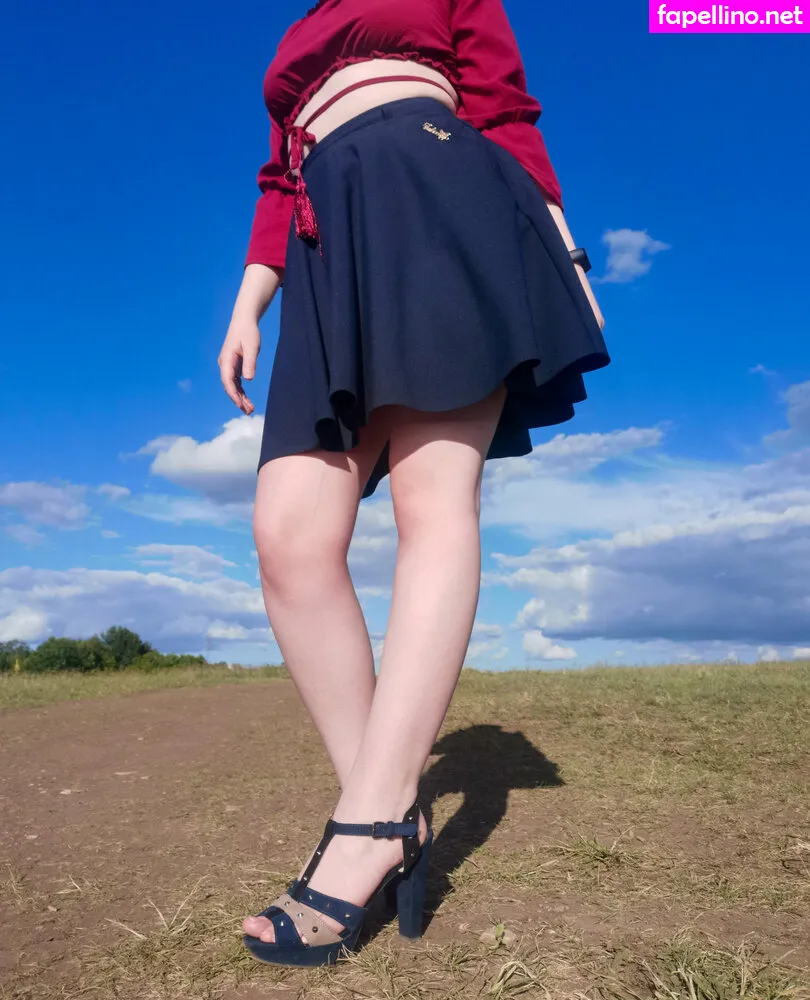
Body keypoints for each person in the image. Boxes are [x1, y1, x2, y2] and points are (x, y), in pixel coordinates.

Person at [218, 0, 610, 968]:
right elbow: (279, 176)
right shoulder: (296, 34)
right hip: (323, 242)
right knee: (288, 534)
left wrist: (564, 249)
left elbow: (505, 110)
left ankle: (364, 833)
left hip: (439, 193)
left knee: (432, 502)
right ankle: (391, 817)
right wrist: (247, 305)